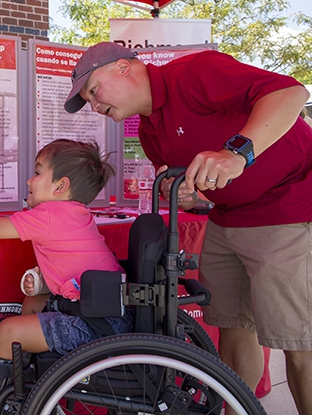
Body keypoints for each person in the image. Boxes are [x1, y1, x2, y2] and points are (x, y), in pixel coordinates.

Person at [65, 41, 312, 414]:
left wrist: (237, 152)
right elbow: (194, 191)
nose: (96, 107)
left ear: (123, 68)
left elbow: (292, 92)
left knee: (299, 342)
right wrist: (180, 194)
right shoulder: (149, 133)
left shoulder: (194, 73)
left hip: (290, 208)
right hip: (228, 217)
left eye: (94, 92)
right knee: (232, 329)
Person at [0, 139, 134, 415]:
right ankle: (18, 372)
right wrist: (41, 282)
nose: (29, 179)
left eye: (38, 173)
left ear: (60, 186)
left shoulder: (50, 213)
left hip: (94, 325)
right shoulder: (77, 213)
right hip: (110, 314)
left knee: (6, 333)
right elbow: (73, 263)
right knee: (33, 301)